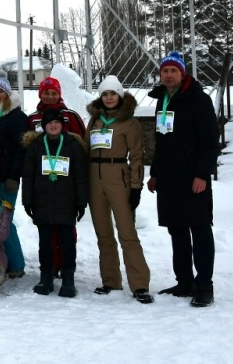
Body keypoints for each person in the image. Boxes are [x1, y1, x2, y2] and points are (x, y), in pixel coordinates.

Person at [147, 52, 218, 307]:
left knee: (199, 229)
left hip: (192, 177)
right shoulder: (162, 99)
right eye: (165, 71)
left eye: (173, 71)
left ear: (182, 73)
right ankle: (185, 282)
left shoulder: (199, 99)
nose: (168, 75)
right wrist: (155, 173)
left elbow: (210, 141)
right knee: (177, 230)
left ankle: (204, 286)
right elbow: (161, 140)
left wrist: (202, 174)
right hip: (169, 178)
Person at [86, 75, 152, 303]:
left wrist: (136, 186)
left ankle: (139, 284)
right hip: (95, 178)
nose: (109, 97)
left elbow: (137, 156)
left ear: (120, 95)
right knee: (103, 233)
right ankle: (111, 280)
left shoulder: (129, 122)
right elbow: (86, 148)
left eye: (113, 93)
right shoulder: (95, 120)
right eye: (105, 94)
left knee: (127, 233)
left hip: (119, 177)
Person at [22, 109, 88, 298]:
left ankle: (68, 279)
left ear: (62, 125)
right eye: (49, 123)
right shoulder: (36, 146)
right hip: (42, 202)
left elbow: (80, 176)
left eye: (57, 122)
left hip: (66, 202)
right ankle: (46, 277)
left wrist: (81, 202)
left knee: (67, 242)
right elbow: (28, 176)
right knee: (45, 243)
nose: (53, 125)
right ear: (44, 126)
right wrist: (27, 201)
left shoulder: (72, 145)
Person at [0, 76, 28, 279]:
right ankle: (2, 261)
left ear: (8, 93)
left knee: (4, 221)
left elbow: (20, 149)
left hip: (7, 178)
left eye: (0, 91)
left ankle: (17, 264)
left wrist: (14, 176)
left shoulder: (17, 116)